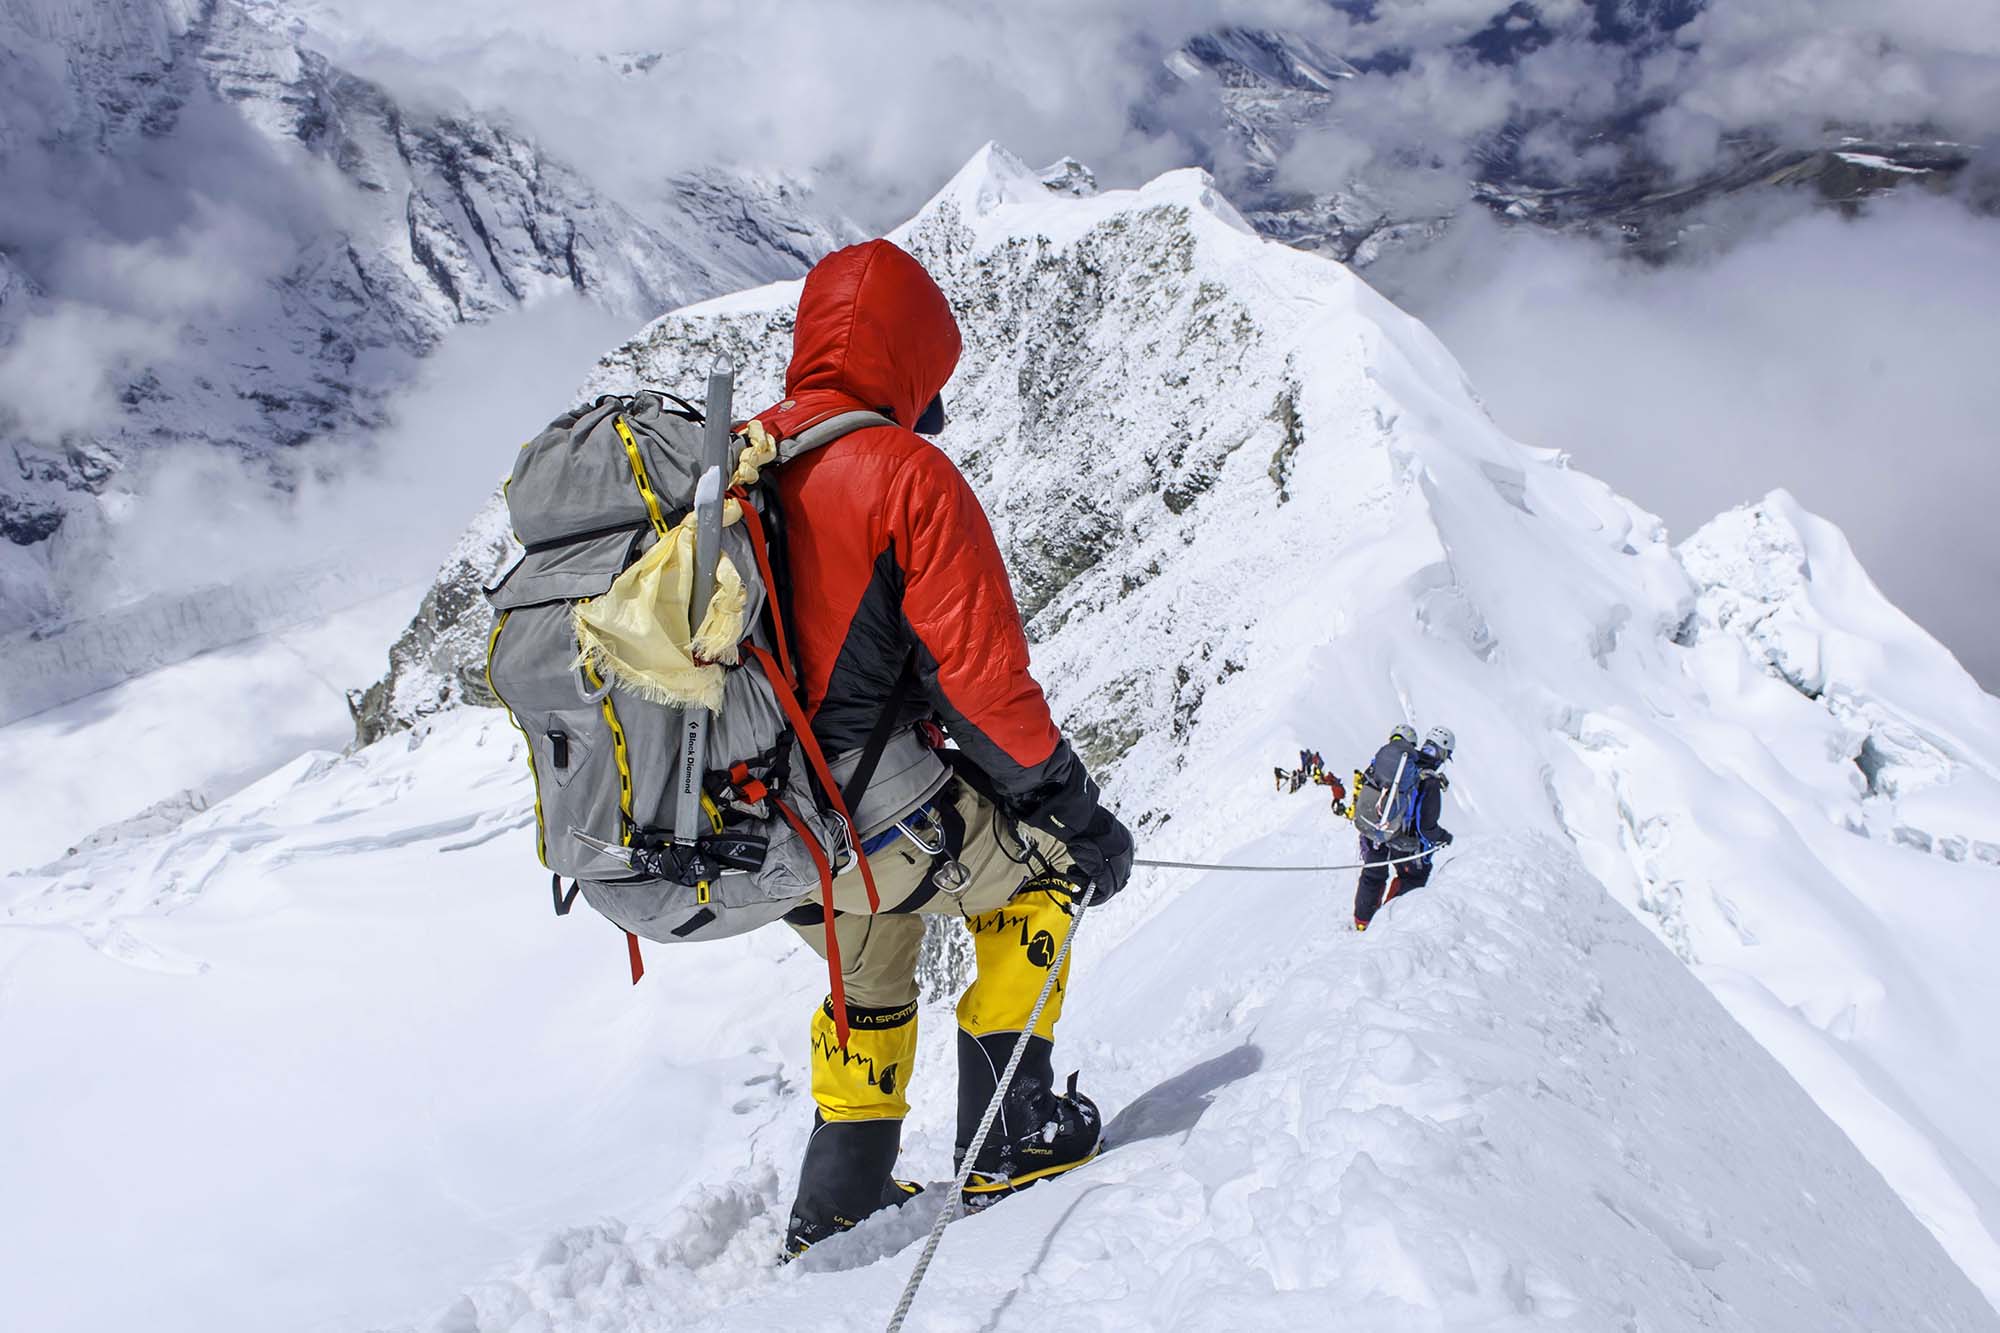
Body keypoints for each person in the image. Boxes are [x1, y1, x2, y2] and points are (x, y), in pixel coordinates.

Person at [750, 239, 1135, 1260]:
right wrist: (1074, 813)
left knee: (870, 961)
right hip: (866, 820)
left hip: (761, 836)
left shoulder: (736, 464)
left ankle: (837, 1196)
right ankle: (1009, 1137)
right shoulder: (901, 474)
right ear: (911, 358)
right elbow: (983, 688)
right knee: (1039, 880)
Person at [1353, 725, 1454, 930]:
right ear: (1443, 753)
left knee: (1373, 874)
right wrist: (1445, 837)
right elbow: (1426, 827)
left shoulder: (1404, 763)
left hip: (1377, 832)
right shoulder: (1430, 780)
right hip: (1404, 842)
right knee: (1413, 878)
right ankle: (1387, 927)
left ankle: (1363, 922)